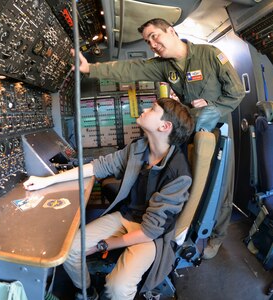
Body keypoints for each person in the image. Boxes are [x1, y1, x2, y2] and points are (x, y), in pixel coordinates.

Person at [71, 18, 245, 260]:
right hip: (185, 132)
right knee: (186, 184)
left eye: (155, 36)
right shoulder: (165, 66)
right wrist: (90, 69)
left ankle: (216, 236)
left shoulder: (210, 54)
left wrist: (212, 108)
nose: (152, 43)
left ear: (171, 31)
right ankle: (182, 230)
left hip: (217, 133)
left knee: (219, 186)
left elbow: (236, 92)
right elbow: (133, 69)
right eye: (147, 40)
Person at [24, 98, 194, 299]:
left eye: (152, 109)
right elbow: (100, 166)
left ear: (164, 126)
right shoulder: (139, 148)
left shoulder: (179, 174)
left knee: (118, 287)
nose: (144, 108)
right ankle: (87, 292)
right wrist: (47, 181)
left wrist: (102, 245)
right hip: (126, 217)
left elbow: (149, 232)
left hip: (150, 235)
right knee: (70, 250)